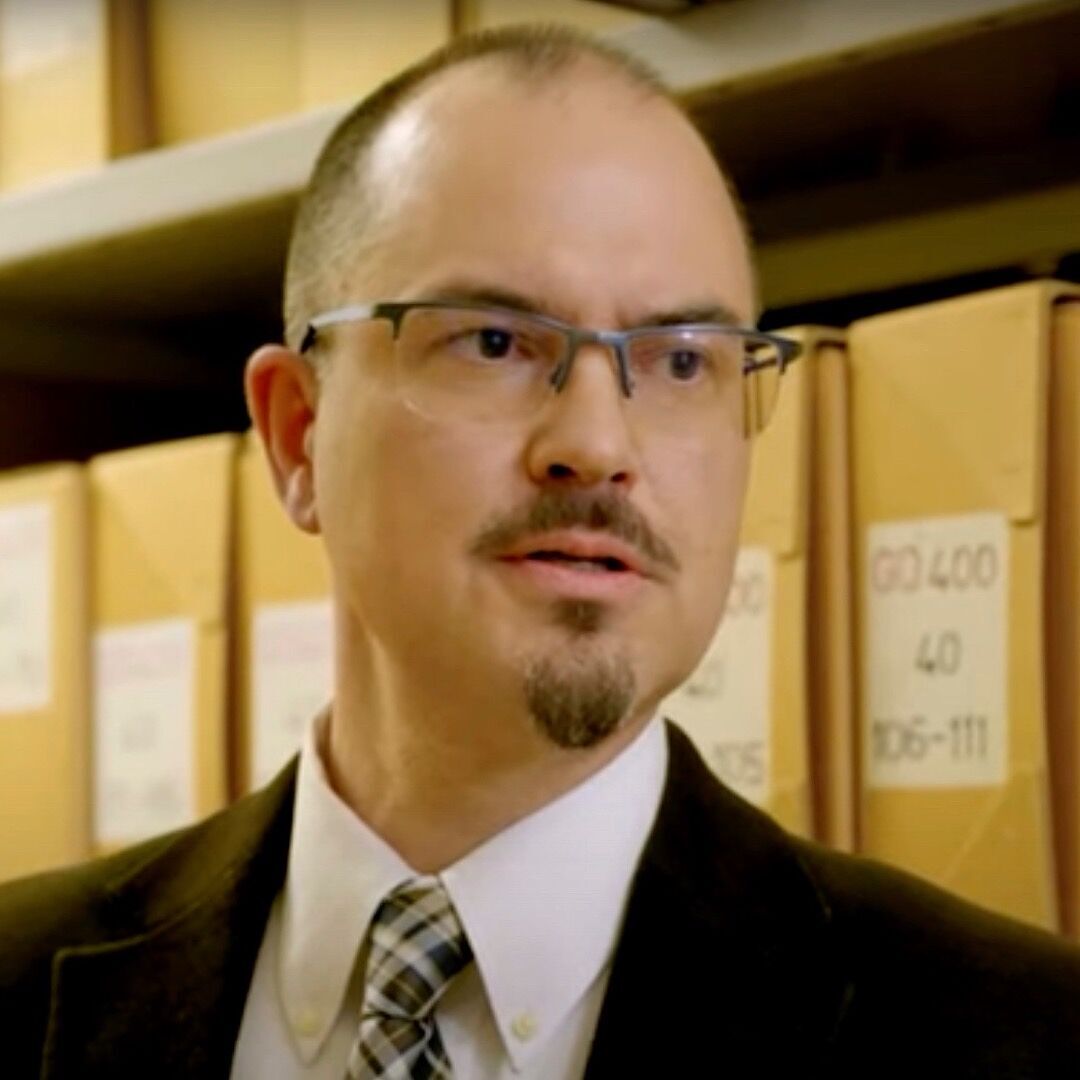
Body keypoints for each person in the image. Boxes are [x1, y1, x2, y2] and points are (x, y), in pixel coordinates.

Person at [2, 22, 1079, 1080]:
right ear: (299, 436)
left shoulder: (1025, 1042)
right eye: (494, 342)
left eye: (682, 362)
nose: (599, 446)